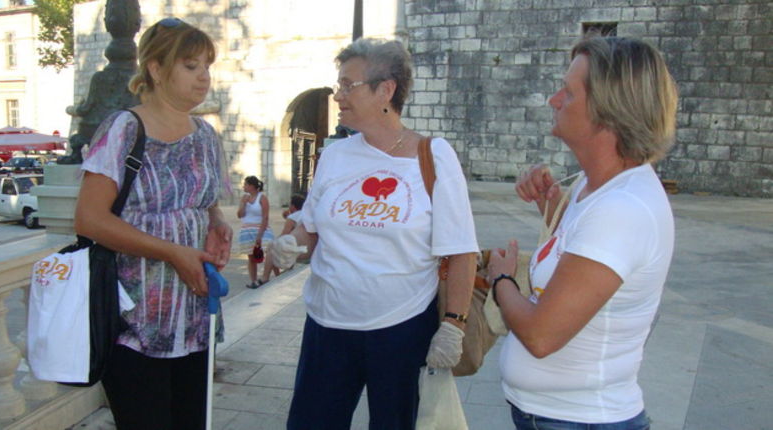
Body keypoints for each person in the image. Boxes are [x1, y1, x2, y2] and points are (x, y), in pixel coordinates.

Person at [278, 38, 478, 430]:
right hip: (327, 325)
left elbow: (461, 250)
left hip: (400, 329)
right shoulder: (334, 156)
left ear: (386, 90)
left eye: (348, 85)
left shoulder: (434, 156)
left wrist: (453, 324)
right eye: (339, 85)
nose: (338, 95)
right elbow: (312, 227)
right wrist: (291, 243)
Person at [487, 36, 678, 430]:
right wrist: (551, 207)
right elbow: (583, 258)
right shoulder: (597, 189)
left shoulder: (621, 209)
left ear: (608, 111)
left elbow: (541, 337)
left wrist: (501, 279)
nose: (554, 100)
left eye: (568, 92)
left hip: (581, 420)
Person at [73, 17, 231, 430]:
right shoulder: (124, 128)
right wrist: (171, 252)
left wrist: (216, 225)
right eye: (191, 66)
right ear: (157, 70)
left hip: (195, 317)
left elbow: (205, 203)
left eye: (207, 67)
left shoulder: (206, 135)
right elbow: (89, 219)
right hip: (135, 322)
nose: (204, 78)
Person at [258, 193, 306, 283]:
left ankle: (266, 277)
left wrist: (274, 240)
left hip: (294, 246)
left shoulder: (292, 217)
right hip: (306, 245)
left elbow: (285, 234)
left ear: (292, 206)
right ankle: (278, 276)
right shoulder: (305, 214)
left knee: (271, 248)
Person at [236, 175, 274, 289]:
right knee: (251, 257)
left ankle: (268, 276)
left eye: (246, 184)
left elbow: (265, 217)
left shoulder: (262, 198)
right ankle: (253, 280)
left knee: (270, 250)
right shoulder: (244, 198)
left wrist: (260, 234)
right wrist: (243, 203)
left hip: (261, 228)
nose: (244, 186)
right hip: (247, 230)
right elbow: (239, 215)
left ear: (252, 186)